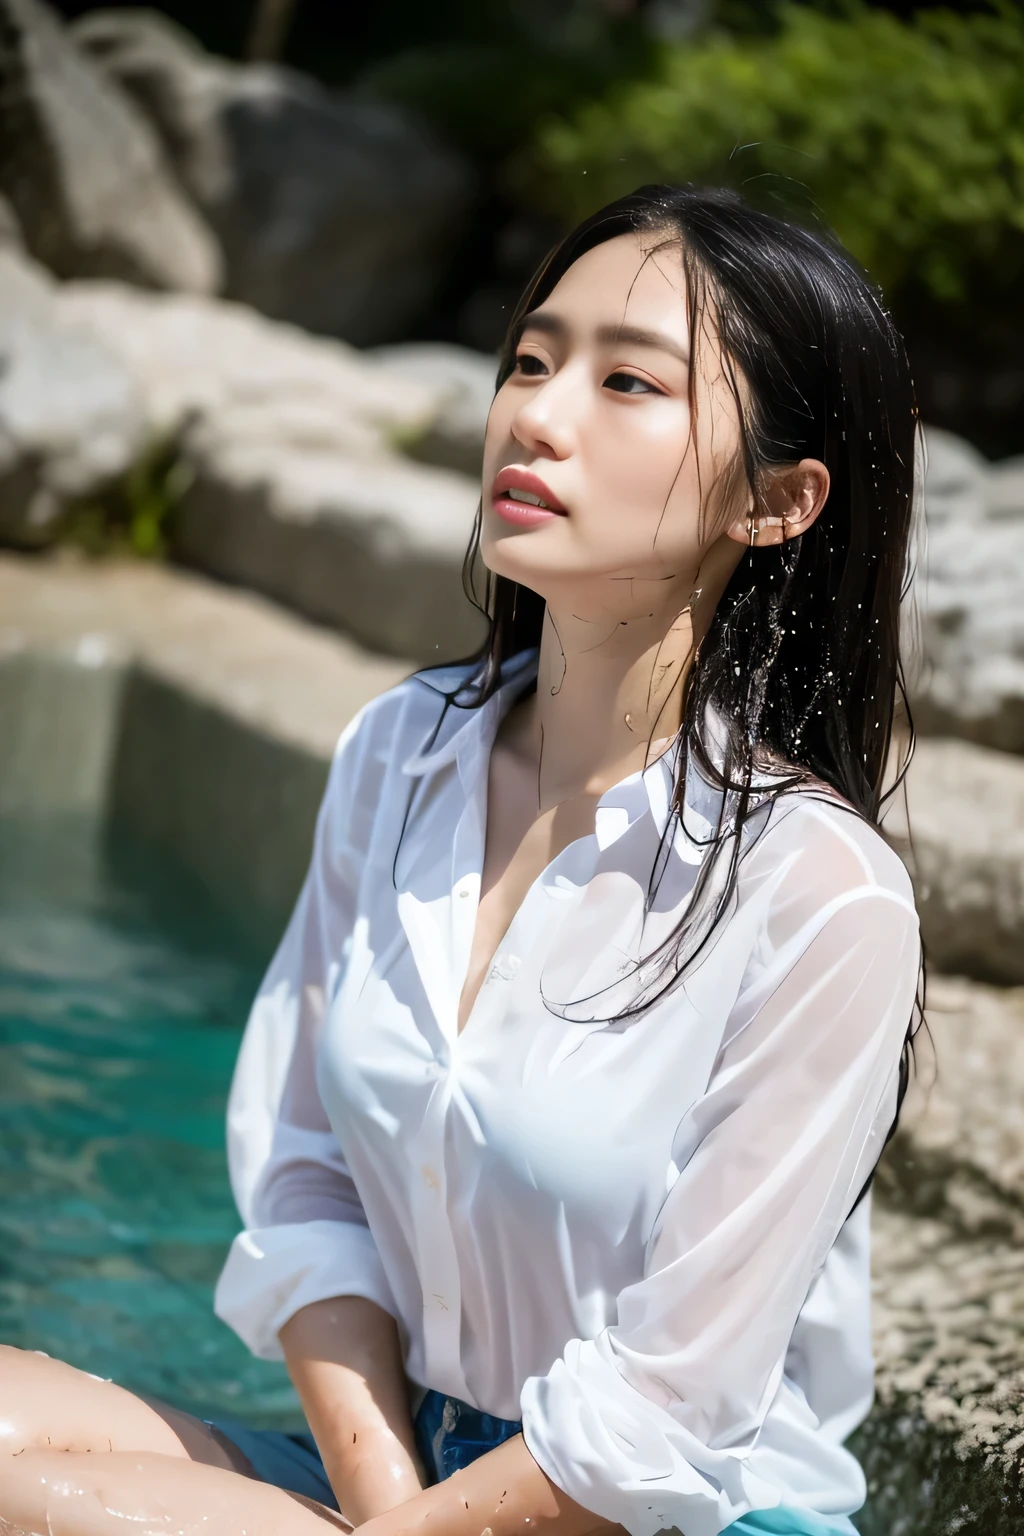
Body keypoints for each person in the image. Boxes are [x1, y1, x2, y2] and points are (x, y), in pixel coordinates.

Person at [0, 184, 922, 1536]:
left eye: (627, 383)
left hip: (667, 1510)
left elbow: (660, 1417)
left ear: (779, 503)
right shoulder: (401, 756)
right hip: (419, 1471)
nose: (536, 416)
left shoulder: (818, 898)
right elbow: (308, 1180)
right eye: (533, 361)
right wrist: (383, 1501)